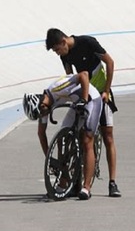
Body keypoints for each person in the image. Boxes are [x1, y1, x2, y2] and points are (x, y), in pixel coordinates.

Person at [45, 28, 121, 197]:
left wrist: (107, 90)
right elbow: (71, 79)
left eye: (57, 49)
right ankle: (74, 181)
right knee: (77, 136)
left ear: (64, 41)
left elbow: (110, 62)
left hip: (101, 93)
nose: (58, 54)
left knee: (108, 136)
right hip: (85, 96)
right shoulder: (65, 55)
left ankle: (112, 182)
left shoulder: (88, 42)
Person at [23, 71, 102, 200]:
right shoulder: (44, 107)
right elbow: (41, 133)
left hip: (91, 99)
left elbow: (84, 75)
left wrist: (84, 99)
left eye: (41, 112)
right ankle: (63, 182)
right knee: (62, 139)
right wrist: (50, 158)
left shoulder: (57, 87)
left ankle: (86, 187)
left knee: (87, 140)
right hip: (77, 103)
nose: (43, 115)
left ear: (41, 104)